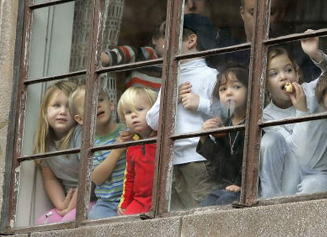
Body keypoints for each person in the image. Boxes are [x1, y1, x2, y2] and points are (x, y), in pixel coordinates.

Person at [146, 13, 222, 210]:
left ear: (191, 40)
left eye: (171, 38)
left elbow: (228, 114)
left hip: (199, 160)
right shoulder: (171, 80)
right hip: (171, 160)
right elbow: (152, 121)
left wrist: (201, 103)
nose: (164, 45)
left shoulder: (211, 76)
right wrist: (172, 100)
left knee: (202, 214)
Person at [260, 34, 327, 198]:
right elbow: (298, 155)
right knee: (269, 140)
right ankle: (269, 201)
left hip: (319, 173)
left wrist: (315, 53)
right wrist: (302, 110)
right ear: (265, 85)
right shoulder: (267, 116)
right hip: (291, 175)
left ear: (297, 73)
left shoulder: (311, 91)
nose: (283, 77)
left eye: (288, 70)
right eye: (273, 74)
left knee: (312, 187)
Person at [69, 85, 132, 219]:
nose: (97, 105)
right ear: (80, 119)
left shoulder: (128, 131)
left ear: (111, 104)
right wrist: (117, 151)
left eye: (100, 99)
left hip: (133, 196)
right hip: (107, 203)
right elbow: (96, 178)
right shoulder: (89, 146)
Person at [33, 80, 87, 225]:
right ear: (45, 110)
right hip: (70, 202)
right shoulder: (45, 143)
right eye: (56, 105)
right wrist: (62, 205)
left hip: (91, 196)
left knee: (69, 221)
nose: (63, 111)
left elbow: (89, 174)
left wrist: (70, 207)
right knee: (43, 222)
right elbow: (50, 179)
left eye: (69, 107)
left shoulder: (80, 134)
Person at [197, 66, 248, 206]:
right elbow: (221, 163)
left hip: (252, 185)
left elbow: (255, 159)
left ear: (249, 91)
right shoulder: (226, 124)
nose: (229, 93)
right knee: (206, 204)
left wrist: (242, 184)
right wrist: (204, 138)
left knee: (225, 202)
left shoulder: (253, 122)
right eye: (223, 89)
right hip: (229, 186)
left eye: (236, 87)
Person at [117, 87, 158, 215]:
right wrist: (124, 203)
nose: (134, 115)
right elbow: (129, 177)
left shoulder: (162, 139)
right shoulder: (132, 146)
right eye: (128, 112)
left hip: (161, 199)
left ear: (155, 112)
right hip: (139, 200)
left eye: (140, 109)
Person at [100, 20, 166, 91]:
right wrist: (106, 57)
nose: (169, 43)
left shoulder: (177, 66)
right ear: (155, 39)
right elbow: (113, 56)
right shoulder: (145, 54)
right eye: (165, 37)